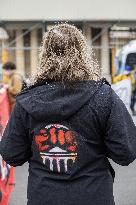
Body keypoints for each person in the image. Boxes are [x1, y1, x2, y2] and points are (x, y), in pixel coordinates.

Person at [0, 24, 136, 205]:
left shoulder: (27, 101)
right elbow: (126, 152)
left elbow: (11, 154)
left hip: (44, 196)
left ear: (45, 55)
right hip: (94, 196)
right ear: (82, 54)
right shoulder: (103, 96)